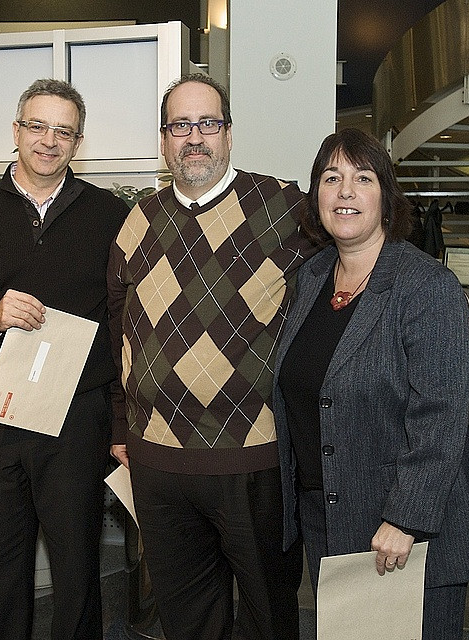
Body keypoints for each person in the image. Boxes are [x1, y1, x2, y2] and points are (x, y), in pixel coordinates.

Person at [0, 78, 129, 639]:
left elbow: (122, 323)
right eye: (37, 126)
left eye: (63, 131)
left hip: (74, 415)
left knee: (77, 560)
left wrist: (119, 417)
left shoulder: (108, 215)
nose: (48, 140)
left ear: (77, 142)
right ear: (16, 132)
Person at [107, 73, 313, 639]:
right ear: (164, 138)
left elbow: (365, 250)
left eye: (207, 124)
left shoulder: (285, 208)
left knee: (270, 613)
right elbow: (116, 330)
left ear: (228, 133)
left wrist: (438, 305)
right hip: (158, 463)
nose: (194, 137)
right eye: (180, 126)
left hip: (253, 458)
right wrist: (120, 424)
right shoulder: (137, 220)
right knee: (188, 617)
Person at [272, 128, 469, 639]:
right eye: (331, 178)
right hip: (329, 518)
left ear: (386, 197)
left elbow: (442, 413)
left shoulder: (425, 284)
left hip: (401, 531)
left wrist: (406, 518)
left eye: (362, 178)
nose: (345, 192)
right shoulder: (313, 276)